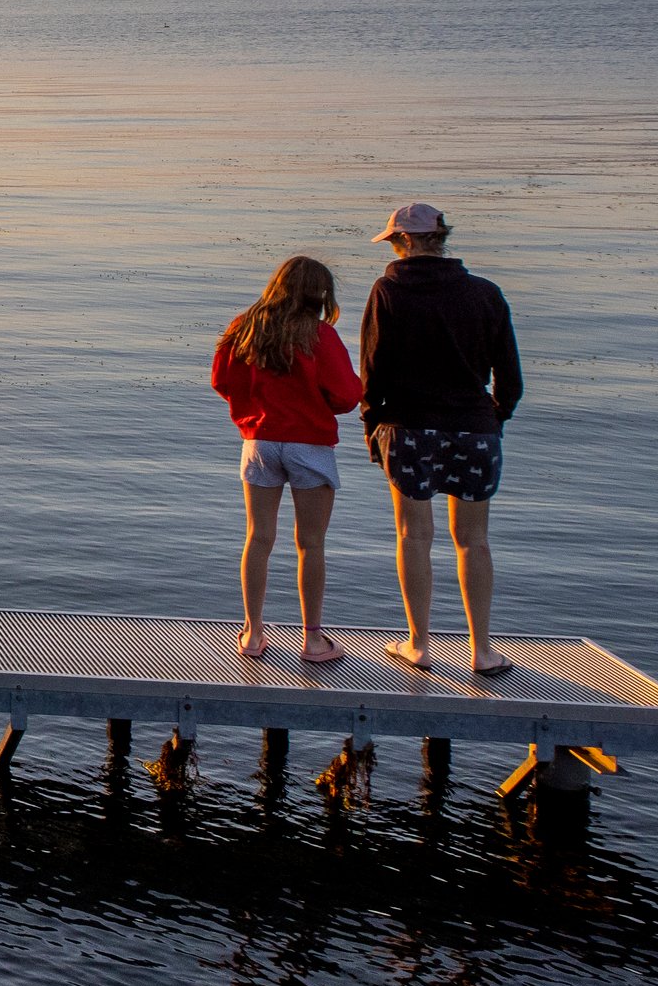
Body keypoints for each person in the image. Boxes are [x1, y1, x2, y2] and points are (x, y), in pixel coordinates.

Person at [357, 199, 521, 678]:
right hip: (476, 428)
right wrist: (496, 417)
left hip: (409, 428)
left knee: (414, 536)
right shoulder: (486, 294)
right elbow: (509, 377)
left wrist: (372, 425)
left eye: (392, 240)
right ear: (441, 238)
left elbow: (374, 371)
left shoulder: (388, 290)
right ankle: (483, 650)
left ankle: (419, 643)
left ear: (405, 241)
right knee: (473, 540)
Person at [211, 254, 361, 665]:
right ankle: (313, 641)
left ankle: (252, 632)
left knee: (258, 538)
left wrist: (252, 408)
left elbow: (222, 380)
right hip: (309, 444)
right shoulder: (320, 336)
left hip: (260, 442)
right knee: (310, 544)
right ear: (321, 293)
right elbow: (347, 396)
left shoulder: (245, 327)